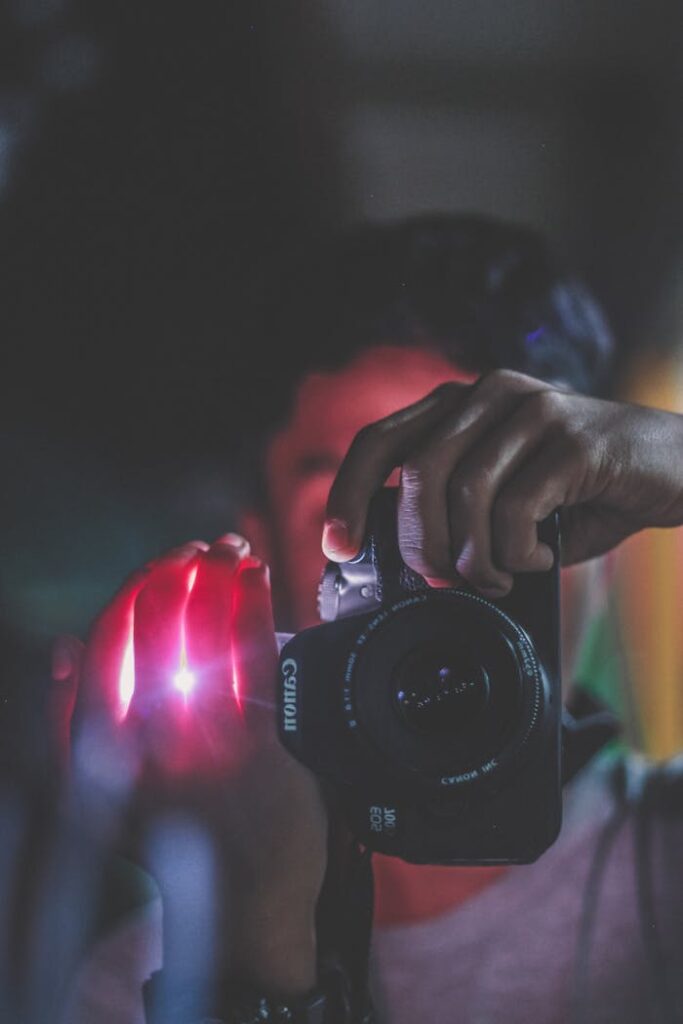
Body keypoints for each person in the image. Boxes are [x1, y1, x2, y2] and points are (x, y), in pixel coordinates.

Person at [53, 215, 683, 1023]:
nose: (428, 582)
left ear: (607, 549)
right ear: (261, 561)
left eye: (496, 499)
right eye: (358, 529)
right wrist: (257, 929)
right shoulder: (137, 980)